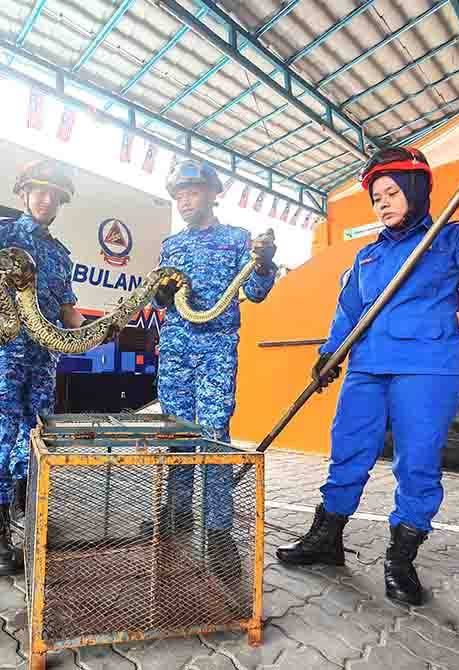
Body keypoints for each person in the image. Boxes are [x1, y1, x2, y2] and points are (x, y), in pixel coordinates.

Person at [276, 135, 459, 606]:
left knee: (417, 465)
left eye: (391, 193)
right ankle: (327, 539)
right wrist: (330, 354)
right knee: (347, 451)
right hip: (367, 366)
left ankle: (401, 558)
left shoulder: (448, 236)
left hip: (428, 368)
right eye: (376, 198)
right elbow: (348, 311)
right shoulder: (366, 255)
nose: (382, 204)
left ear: (416, 188)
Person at [0, 159, 103, 577]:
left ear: (61, 200)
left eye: (52, 193)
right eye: (37, 191)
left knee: (36, 435)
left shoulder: (60, 254)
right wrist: (2, 280)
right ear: (24, 194)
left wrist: (100, 329)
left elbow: (67, 311)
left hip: (44, 358)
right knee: (1, 437)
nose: (44, 198)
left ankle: (30, 514)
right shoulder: (2, 233)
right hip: (6, 353)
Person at [150, 159, 278, 582]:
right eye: (179, 194)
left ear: (211, 194)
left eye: (192, 192)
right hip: (175, 353)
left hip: (215, 352)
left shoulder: (237, 240)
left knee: (214, 438)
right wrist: (164, 297)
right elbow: (159, 303)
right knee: (177, 436)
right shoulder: (171, 246)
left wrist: (263, 265)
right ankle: (179, 514)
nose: (185, 200)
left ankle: (219, 531)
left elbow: (256, 293)